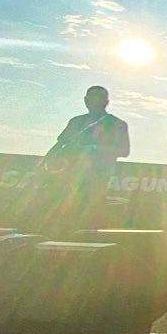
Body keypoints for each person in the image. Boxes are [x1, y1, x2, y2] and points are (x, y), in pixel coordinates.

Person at [41, 85, 130, 234]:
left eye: (99, 97)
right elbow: (60, 144)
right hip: (67, 177)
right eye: (92, 97)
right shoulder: (76, 121)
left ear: (106, 102)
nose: (95, 101)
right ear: (85, 101)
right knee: (61, 217)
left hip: (96, 178)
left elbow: (124, 151)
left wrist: (92, 149)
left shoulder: (117, 124)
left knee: (88, 219)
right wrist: (45, 164)